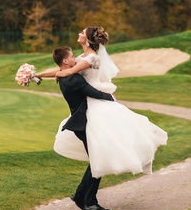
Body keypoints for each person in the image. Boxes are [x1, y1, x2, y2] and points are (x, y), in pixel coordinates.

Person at [36, 27, 168, 180]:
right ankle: (85, 195)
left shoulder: (92, 57)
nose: (79, 34)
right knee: (96, 148)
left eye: (82, 33)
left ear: (87, 39)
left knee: (104, 143)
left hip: (96, 99)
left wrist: (59, 73)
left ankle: (89, 191)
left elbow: (69, 71)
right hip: (88, 102)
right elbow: (61, 69)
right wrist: (37, 74)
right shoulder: (81, 57)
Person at [49, 46, 116, 210]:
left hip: (81, 123)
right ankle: (88, 201)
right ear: (65, 61)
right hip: (83, 123)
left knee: (97, 159)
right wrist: (112, 98)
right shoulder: (74, 80)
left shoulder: (65, 77)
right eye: (72, 57)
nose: (75, 59)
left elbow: (64, 71)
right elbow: (95, 93)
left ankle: (81, 196)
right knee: (97, 160)